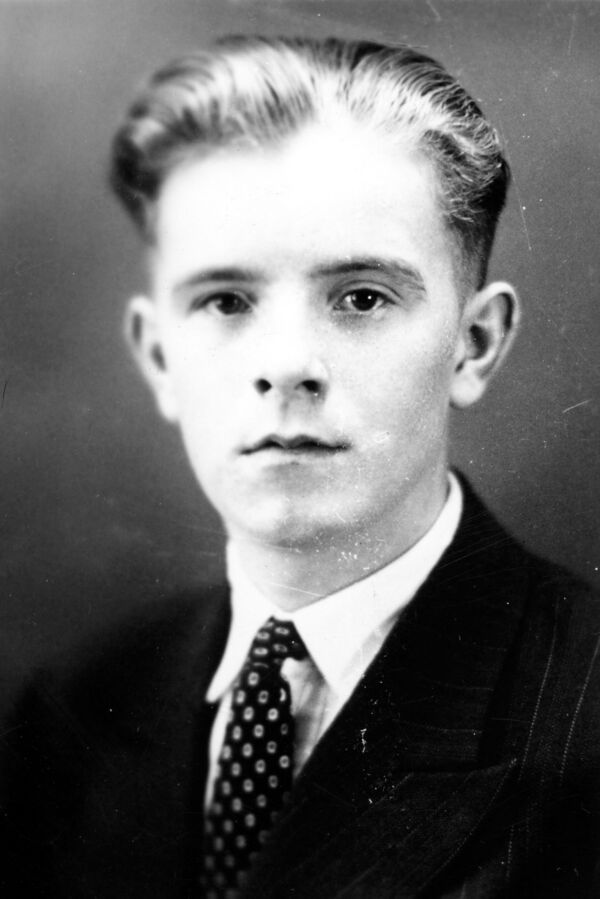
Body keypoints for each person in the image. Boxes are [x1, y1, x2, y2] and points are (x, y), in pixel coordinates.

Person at [2, 36, 599, 898]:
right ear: (159, 356)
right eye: (225, 301)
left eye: (362, 297)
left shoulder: (582, 712)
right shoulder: (72, 712)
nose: (287, 365)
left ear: (474, 344)